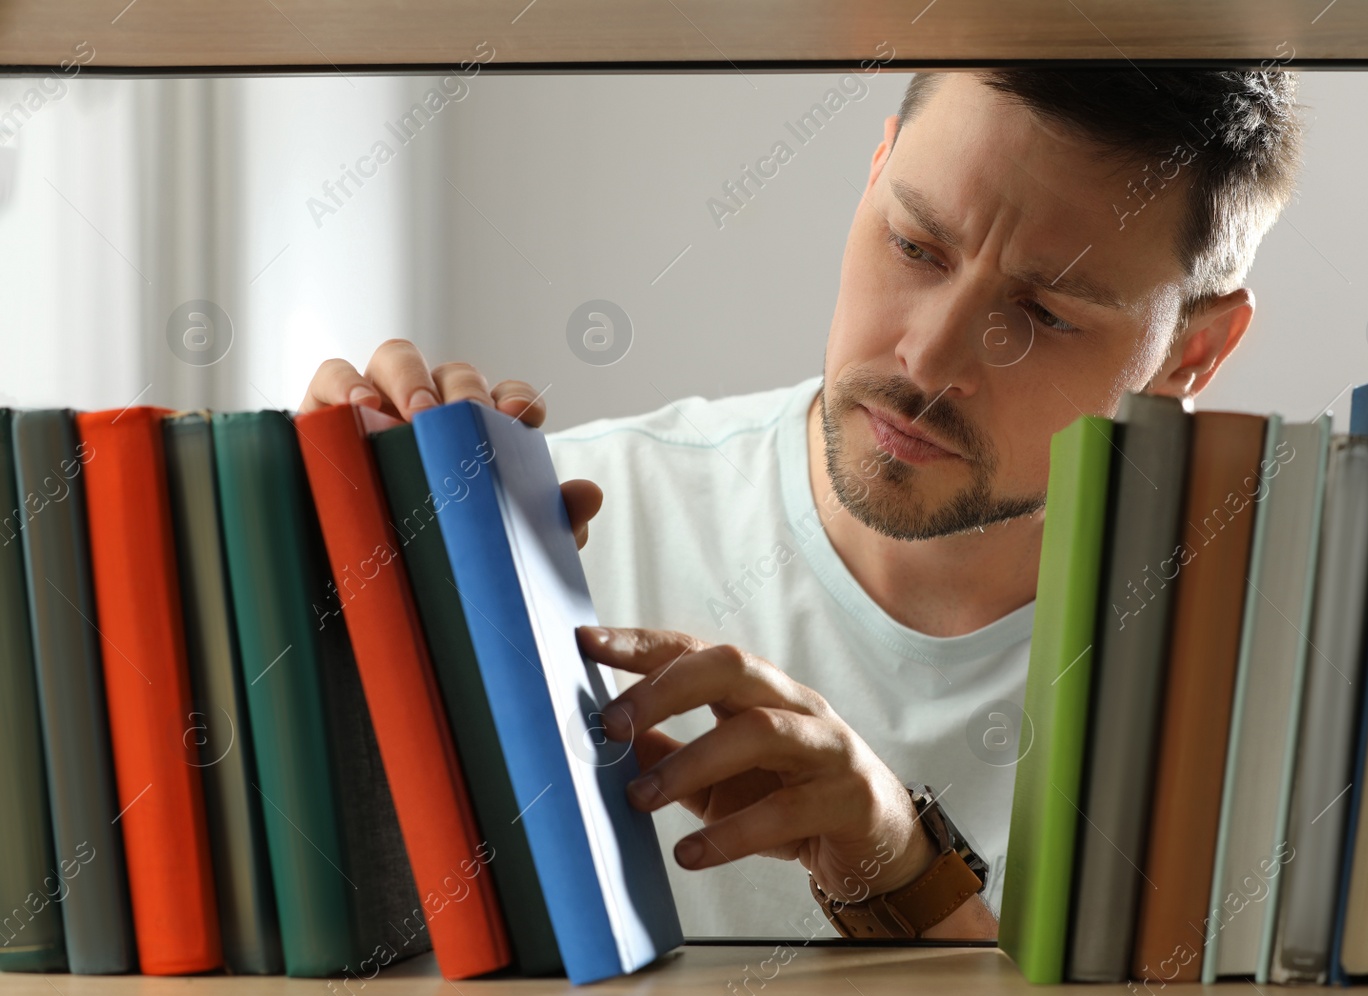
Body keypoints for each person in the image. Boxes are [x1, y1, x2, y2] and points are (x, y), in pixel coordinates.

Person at [300, 68, 1303, 942]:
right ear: (873, 176)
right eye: (915, 245)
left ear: (1191, 354)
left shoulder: (1284, 671)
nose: (928, 357)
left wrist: (904, 876)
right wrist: (325, 618)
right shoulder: (568, 529)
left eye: (1042, 314)